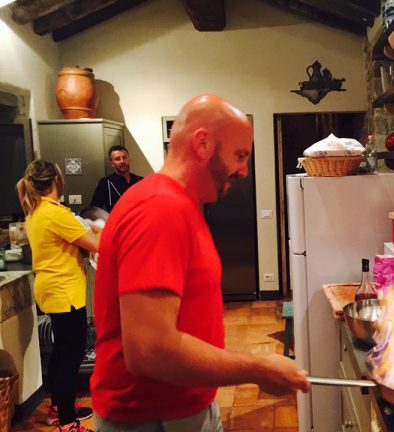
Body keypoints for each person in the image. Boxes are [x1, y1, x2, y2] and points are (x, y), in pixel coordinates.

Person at [91, 95, 310, 432]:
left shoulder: (179, 204)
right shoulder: (159, 209)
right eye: (240, 155)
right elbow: (150, 350)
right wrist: (258, 369)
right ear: (203, 143)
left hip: (182, 407)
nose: (244, 170)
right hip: (153, 419)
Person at [16, 160, 101, 432]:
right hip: (65, 291)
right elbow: (96, 244)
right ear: (56, 180)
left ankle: (58, 409)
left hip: (52, 289)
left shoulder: (37, 211)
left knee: (61, 351)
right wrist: (101, 226)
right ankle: (67, 422)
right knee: (70, 356)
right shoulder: (55, 213)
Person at [90, 145, 143, 212]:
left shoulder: (141, 181)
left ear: (129, 160)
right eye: (117, 159)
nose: (122, 161)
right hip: (117, 218)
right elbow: (94, 210)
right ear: (112, 163)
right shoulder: (105, 183)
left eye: (124, 158)